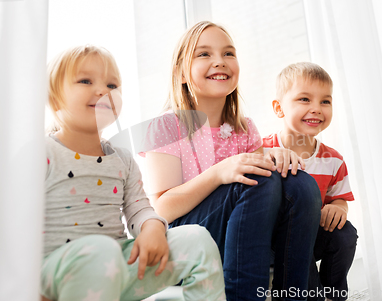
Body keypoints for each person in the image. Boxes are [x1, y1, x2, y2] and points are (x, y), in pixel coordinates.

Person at [142, 21, 322, 301]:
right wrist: (220, 172)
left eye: (228, 53)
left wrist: (275, 157)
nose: (219, 62)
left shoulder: (245, 128)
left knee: (300, 183)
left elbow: (268, 193)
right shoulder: (166, 126)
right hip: (184, 240)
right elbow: (161, 208)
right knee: (257, 177)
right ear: (180, 73)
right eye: (204, 54)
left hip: (241, 232)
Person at [41, 45, 225, 301]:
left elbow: (139, 207)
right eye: (85, 81)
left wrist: (152, 229)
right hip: (53, 275)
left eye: (112, 85)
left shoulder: (122, 159)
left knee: (197, 239)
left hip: (115, 265)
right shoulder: (43, 152)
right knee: (100, 251)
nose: (103, 91)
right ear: (53, 97)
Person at [262, 62, 358, 301]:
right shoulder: (263, 151)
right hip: (275, 241)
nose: (316, 108)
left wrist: (337, 208)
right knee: (306, 288)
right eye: (304, 99)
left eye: (325, 101)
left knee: (345, 233)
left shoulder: (333, 160)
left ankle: (333, 294)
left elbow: (339, 198)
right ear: (279, 108)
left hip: (313, 236)